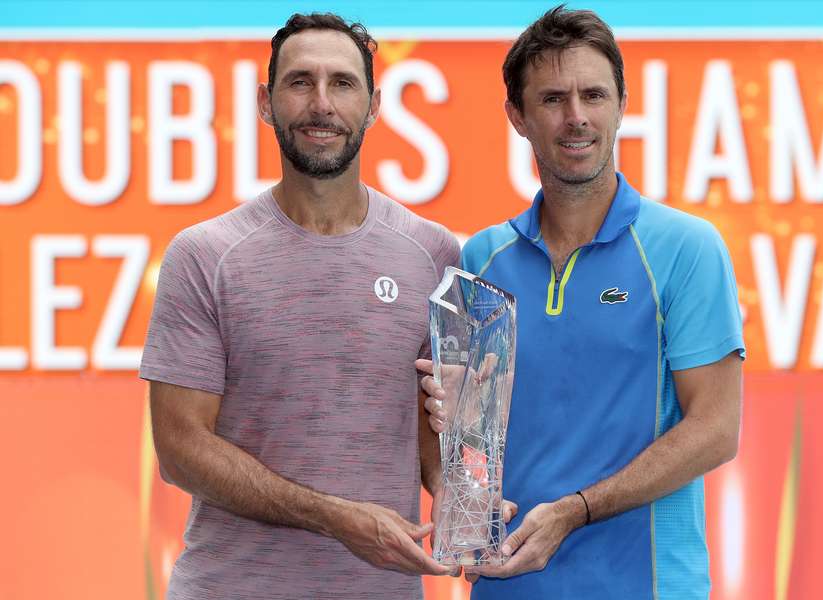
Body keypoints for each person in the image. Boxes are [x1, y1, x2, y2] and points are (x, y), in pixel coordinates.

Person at [418, 6, 744, 599]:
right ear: (516, 116)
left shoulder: (685, 249)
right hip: (505, 588)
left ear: (621, 103)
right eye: (552, 99)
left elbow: (717, 429)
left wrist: (575, 510)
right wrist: (450, 486)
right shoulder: (481, 257)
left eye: (594, 95)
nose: (576, 118)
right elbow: (457, 433)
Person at [140, 12, 461, 600]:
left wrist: (469, 496)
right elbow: (179, 450)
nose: (321, 104)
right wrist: (336, 518)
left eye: (342, 83)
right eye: (299, 82)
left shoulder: (434, 254)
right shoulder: (204, 256)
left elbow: (433, 443)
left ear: (374, 105)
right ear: (266, 102)